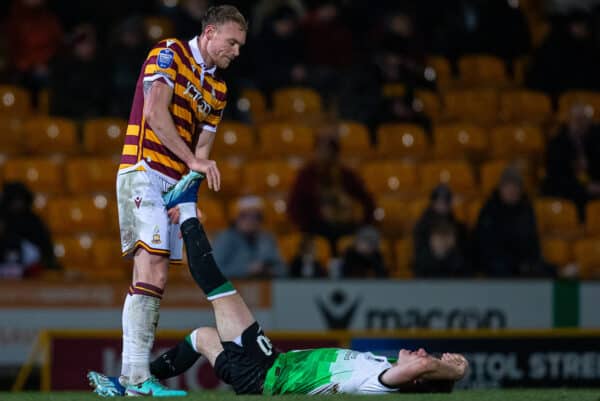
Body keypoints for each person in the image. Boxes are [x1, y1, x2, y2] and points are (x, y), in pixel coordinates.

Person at [87, 180, 469, 396]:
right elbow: (420, 366)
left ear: (419, 377)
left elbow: (421, 367)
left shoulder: (386, 383)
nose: (421, 351)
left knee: (219, 289)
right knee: (202, 337)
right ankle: (130, 385)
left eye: (424, 358)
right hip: (265, 375)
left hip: (269, 372)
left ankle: (186, 209)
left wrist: (451, 369)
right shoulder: (384, 368)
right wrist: (444, 367)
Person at [114, 5, 247, 396]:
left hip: (171, 184)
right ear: (208, 33)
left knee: (155, 273)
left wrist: (189, 196)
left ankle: (132, 376)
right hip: (143, 168)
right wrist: (192, 160)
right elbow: (155, 113)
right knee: (151, 262)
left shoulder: (219, 90)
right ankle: (136, 376)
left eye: (241, 45)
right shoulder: (169, 52)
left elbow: (202, 153)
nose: (236, 51)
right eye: (232, 42)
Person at [287, 130, 375, 254]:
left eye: (330, 151)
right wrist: (305, 226)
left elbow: (368, 201)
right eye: (321, 150)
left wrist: (364, 223)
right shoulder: (307, 175)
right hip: (316, 227)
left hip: (345, 225)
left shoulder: (346, 175)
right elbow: (294, 206)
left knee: (365, 239)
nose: (325, 155)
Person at [474, 167, 554, 278]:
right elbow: (485, 244)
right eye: (508, 186)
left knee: (547, 270)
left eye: (515, 186)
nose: (512, 190)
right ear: (501, 188)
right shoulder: (490, 210)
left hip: (522, 261)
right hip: (497, 263)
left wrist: (529, 261)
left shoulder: (526, 209)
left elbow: (532, 240)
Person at [542, 103, 600, 220]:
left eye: (584, 119)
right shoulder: (557, 144)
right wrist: (584, 188)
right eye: (577, 120)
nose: (581, 123)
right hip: (567, 193)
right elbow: (556, 177)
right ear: (569, 120)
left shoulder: (596, 139)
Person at [212, 196, 286, 279]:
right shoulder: (225, 238)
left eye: (257, 217)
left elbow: (282, 269)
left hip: (264, 288)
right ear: (235, 218)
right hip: (233, 288)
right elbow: (213, 270)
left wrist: (268, 270)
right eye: (245, 216)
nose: (251, 221)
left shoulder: (267, 238)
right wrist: (247, 269)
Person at [413, 185, 471, 278]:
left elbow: (465, 259)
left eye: (445, 201)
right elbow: (419, 259)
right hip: (428, 278)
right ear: (432, 202)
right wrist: (437, 253)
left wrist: (450, 251)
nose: (442, 204)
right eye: (438, 201)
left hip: (454, 279)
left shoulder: (459, 228)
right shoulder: (422, 227)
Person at [0, 182, 57, 270]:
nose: (17, 203)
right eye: (14, 200)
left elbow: (44, 246)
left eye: (20, 199)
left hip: (27, 267)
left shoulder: (32, 220)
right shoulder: (3, 217)